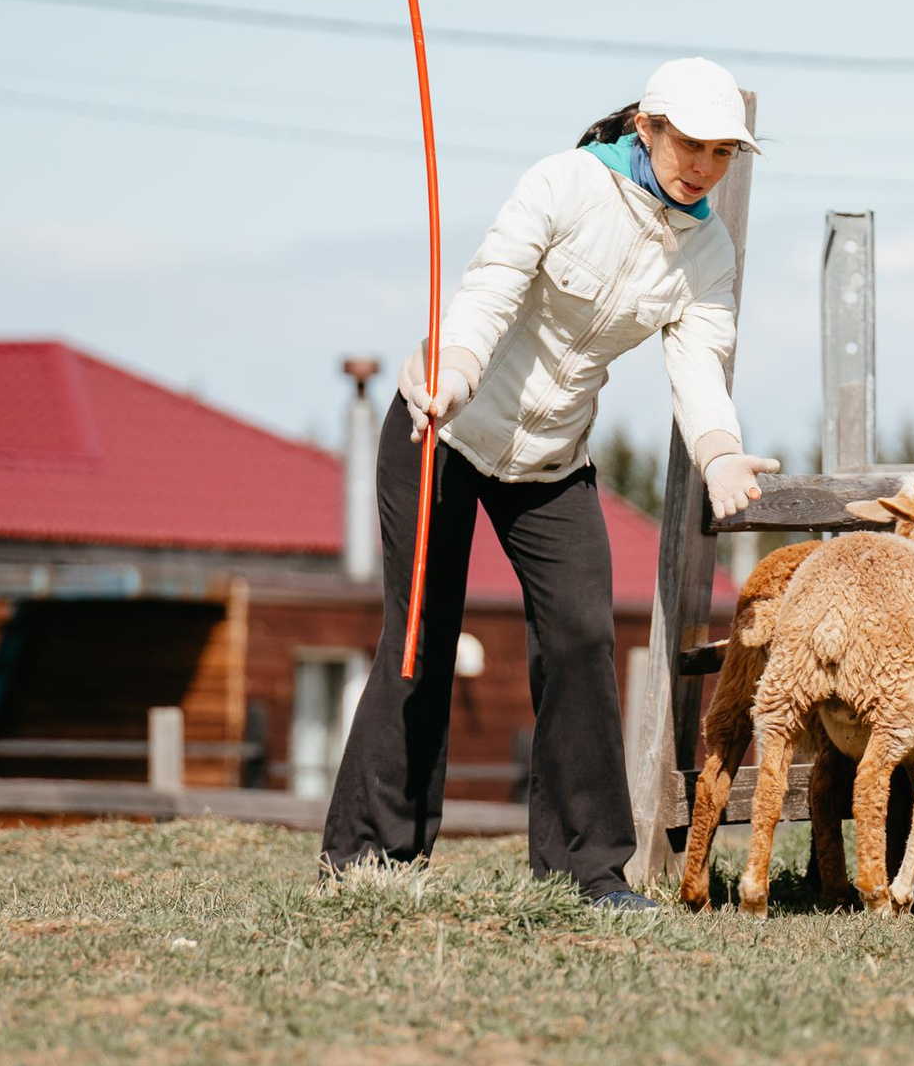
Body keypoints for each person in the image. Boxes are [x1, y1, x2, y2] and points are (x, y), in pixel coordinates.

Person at [321, 57, 781, 908]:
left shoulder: (709, 250)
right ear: (646, 126)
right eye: (691, 143)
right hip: (442, 427)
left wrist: (720, 453)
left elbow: (700, 367)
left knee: (579, 638)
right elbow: (490, 290)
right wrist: (454, 371)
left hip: (550, 463)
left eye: (723, 153)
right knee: (418, 633)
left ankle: (586, 870)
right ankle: (369, 859)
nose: (704, 166)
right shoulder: (563, 185)